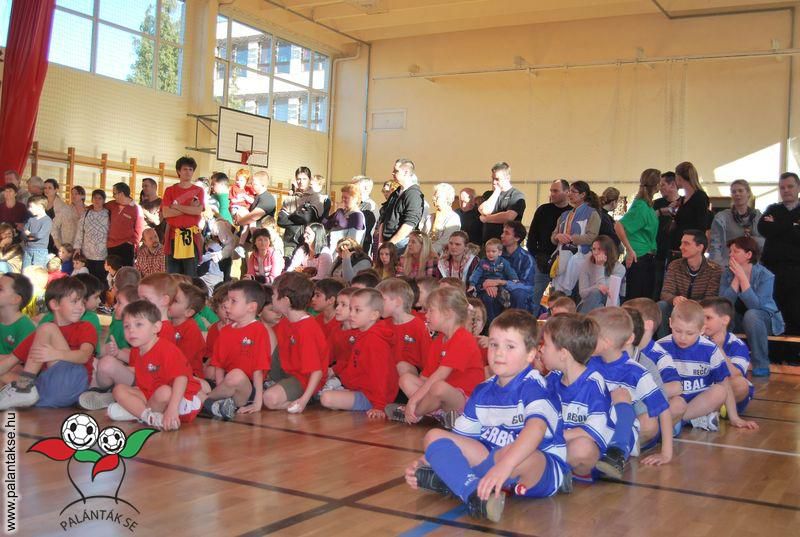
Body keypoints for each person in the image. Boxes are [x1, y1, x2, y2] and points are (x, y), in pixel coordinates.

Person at [404, 310, 568, 522]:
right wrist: (426, 460)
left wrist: (505, 466)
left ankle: (455, 479)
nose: (499, 353)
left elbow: (535, 430)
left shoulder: (535, 387)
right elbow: (460, 439)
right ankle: (474, 493)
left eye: (510, 346)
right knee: (434, 436)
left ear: (530, 354)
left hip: (539, 465)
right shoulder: (482, 391)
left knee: (511, 454)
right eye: (494, 344)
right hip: (491, 457)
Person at [586, 308, 672, 477]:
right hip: (591, 426)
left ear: (607, 342)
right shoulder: (588, 362)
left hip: (619, 432)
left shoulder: (636, 372)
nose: (585, 339)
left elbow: (663, 409)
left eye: (591, 335)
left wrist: (666, 453)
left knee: (620, 397)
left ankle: (617, 452)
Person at [386, 287, 484, 428]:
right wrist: (417, 397)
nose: (426, 315)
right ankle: (440, 415)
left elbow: (439, 376)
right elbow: (425, 378)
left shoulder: (463, 338)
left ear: (448, 313)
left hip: (465, 401)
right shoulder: (438, 341)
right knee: (405, 380)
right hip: (441, 399)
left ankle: (416, 413)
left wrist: (413, 401)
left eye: (431, 311)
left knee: (438, 387)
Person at [656, 300, 758, 432]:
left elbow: (725, 384)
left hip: (699, 401)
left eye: (690, 333)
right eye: (678, 331)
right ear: (670, 323)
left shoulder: (711, 349)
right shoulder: (659, 347)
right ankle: (687, 419)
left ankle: (679, 421)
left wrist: (735, 418)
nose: (683, 338)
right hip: (673, 401)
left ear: (702, 330)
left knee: (720, 391)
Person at [104, 299, 203, 429]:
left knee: (164, 392)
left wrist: (172, 409)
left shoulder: (166, 349)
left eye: (139, 324)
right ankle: (147, 417)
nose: (131, 330)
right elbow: (145, 385)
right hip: (153, 396)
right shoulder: (137, 350)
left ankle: (135, 413)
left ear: (156, 327)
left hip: (180, 398)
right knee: (119, 390)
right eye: (127, 326)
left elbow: (181, 379)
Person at [0, 278, 95, 410]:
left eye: (82, 302)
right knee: (5, 371)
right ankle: (23, 390)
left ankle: (23, 388)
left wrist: (55, 354)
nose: (81, 307)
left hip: (74, 384)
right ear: (55, 304)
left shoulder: (85, 327)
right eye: (74, 301)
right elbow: (11, 360)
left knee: (47, 328)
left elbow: (84, 356)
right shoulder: (40, 335)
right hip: (49, 390)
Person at [541, 313, 613, 483]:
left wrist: (553, 436)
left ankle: (548, 473)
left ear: (563, 354)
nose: (541, 349)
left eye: (545, 344)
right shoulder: (552, 378)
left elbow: (593, 431)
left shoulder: (593, 383)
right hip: (557, 444)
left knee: (583, 448)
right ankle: (554, 472)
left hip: (583, 447)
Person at [319, 288, 398, 418]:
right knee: (327, 396)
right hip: (362, 389)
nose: (351, 314)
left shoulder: (375, 341)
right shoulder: (362, 334)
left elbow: (381, 375)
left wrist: (379, 406)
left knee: (326, 398)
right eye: (350, 309)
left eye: (357, 310)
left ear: (373, 315)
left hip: (374, 397)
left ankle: (380, 407)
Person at [718, 236, 784, 377]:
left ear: (748, 255)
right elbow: (723, 305)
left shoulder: (765, 275)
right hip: (738, 321)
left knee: (752, 315)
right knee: (722, 315)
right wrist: (736, 279)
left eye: (735, 251)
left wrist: (743, 278)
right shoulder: (727, 274)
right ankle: (720, 360)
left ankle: (761, 364)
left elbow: (756, 306)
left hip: (764, 321)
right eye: (730, 251)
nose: (730, 255)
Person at [203, 280, 269, 420]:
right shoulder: (225, 331)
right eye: (227, 300)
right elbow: (219, 365)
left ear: (251, 307)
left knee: (236, 375)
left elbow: (259, 369)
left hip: (247, 389)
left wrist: (258, 402)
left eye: (233, 301)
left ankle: (203, 401)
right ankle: (217, 404)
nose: (227, 305)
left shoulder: (259, 330)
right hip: (227, 386)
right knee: (197, 383)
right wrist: (221, 387)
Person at [263, 272, 328, 414]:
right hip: (287, 372)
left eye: (274, 295)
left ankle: (309, 398)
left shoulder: (306, 329)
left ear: (286, 300)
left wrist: (303, 400)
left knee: (269, 398)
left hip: (304, 379)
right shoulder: (286, 321)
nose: (272, 298)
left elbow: (316, 372)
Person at [623, 298, 684, 419]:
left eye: (627, 321)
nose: (621, 325)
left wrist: (643, 391)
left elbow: (676, 387)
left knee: (678, 404)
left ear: (647, 325)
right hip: (625, 405)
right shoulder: (620, 347)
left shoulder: (659, 354)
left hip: (648, 407)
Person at [657, 230, 723, 338]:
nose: (681, 247)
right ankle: (664, 342)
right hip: (677, 308)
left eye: (686, 244)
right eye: (681, 243)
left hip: (701, 310)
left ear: (700, 247)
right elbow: (665, 292)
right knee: (662, 306)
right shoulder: (674, 265)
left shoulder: (714, 269)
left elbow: (711, 298)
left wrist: (689, 304)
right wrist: (674, 299)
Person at [758, 172, 800, 334]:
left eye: (790, 186)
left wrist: (777, 225)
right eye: (782, 187)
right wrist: (793, 225)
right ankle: (776, 348)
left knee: (795, 312)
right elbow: (763, 228)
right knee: (775, 312)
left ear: (798, 187)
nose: (786, 190)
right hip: (772, 271)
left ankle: (794, 348)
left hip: (796, 272)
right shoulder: (773, 208)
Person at [700, 297, 755, 415]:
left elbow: (735, 374)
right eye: (701, 318)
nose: (703, 322)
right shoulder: (698, 340)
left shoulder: (737, 345)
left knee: (741, 385)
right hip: (705, 387)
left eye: (708, 318)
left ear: (725, 320)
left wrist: (719, 349)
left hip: (726, 390)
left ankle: (714, 410)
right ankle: (704, 412)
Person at [615, 169, 660, 300]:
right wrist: (630, 250)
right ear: (657, 185)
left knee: (644, 299)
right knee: (636, 299)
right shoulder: (641, 206)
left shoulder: (647, 205)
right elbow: (618, 225)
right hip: (639, 257)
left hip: (646, 256)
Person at [526, 179, 571, 312]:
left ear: (567, 192)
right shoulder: (543, 210)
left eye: (556, 191)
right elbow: (532, 236)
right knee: (533, 298)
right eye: (551, 191)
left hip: (563, 262)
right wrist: (536, 255)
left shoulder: (572, 213)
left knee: (559, 300)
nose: (552, 194)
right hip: (542, 260)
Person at [476, 221, 535, 321]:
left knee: (519, 294)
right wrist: (488, 285)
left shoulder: (527, 259)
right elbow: (481, 275)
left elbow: (528, 286)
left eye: (507, 233)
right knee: (487, 296)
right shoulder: (494, 253)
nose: (502, 235)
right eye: (503, 232)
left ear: (517, 238)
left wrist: (500, 282)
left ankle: (516, 327)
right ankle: (492, 327)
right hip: (497, 291)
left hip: (516, 294)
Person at [550, 181, 600, 294]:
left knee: (575, 293)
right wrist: (557, 236)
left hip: (581, 258)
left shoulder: (592, 213)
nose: (569, 194)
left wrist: (572, 238)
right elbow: (553, 236)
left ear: (583, 195)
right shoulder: (564, 215)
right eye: (569, 191)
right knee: (557, 291)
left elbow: (592, 237)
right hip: (562, 256)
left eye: (573, 191)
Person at [377, 278, 431, 376]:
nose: (378, 305)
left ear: (398, 301)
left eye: (382, 300)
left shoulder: (418, 326)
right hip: (389, 371)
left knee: (402, 366)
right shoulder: (382, 325)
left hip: (412, 372)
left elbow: (427, 356)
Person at [162, 157, 205, 276]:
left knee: (190, 276)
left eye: (191, 169)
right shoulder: (170, 190)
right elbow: (166, 213)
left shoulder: (198, 190)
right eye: (185, 169)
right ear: (179, 171)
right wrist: (188, 208)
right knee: (173, 276)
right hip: (173, 235)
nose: (188, 172)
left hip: (191, 236)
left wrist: (176, 207)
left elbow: (198, 210)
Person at [709, 179, 763, 267]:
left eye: (740, 191)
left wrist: (752, 240)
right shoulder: (722, 218)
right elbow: (715, 244)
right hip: (729, 265)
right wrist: (718, 266)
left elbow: (765, 242)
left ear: (748, 193)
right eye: (734, 192)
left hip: (753, 266)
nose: (737, 194)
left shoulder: (758, 217)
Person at [277, 167, 324, 260]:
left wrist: (290, 215)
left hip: (308, 244)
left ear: (309, 180)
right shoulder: (290, 198)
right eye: (298, 179)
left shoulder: (316, 197)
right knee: (288, 266)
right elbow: (281, 220)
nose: (301, 182)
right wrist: (299, 214)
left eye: (304, 179)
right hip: (289, 243)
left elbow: (307, 217)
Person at [378, 159, 425, 253]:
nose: (392, 173)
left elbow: (409, 224)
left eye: (396, 171)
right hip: (387, 244)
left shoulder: (414, 195)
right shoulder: (395, 193)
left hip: (402, 245)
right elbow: (384, 217)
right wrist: (381, 242)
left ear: (406, 172)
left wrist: (390, 245)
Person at [669, 161, 711, 256]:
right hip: (677, 247)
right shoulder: (682, 199)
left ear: (679, 177)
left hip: (690, 248)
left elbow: (702, 225)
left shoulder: (700, 197)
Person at [479, 162, 526, 243]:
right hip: (488, 243)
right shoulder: (488, 194)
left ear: (507, 178)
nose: (494, 182)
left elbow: (508, 217)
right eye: (493, 178)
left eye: (497, 179)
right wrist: (497, 192)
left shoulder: (516, 195)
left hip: (506, 245)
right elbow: (484, 210)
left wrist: (487, 219)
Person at [576, 236, 625, 313]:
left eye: (599, 249)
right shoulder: (587, 263)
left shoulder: (619, 268)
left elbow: (605, 292)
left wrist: (600, 266)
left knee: (597, 294)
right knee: (596, 294)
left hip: (608, 305)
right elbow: (582, 293)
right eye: (593, 249)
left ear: (608, 250)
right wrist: (597, 287)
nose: (595, 252)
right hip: (587, 303)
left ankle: (581, 319)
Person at [169, 282, 208, 379]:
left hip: (190, 373)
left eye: (175, 300)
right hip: (170, 369)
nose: (169, 301)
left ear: (188, 312)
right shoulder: (166, 324)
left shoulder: (191, 329)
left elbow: (185, 358)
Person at [0, 273, 36, 371]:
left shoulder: (25, 327)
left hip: (14, 371)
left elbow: (18, 361)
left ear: (15, 299)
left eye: (0, 289)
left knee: (16, 369)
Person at [653, 172, 680, 298]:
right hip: (658, 252)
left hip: (676, 251)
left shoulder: (684, 203)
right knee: (656, 286)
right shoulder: (656, 204)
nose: (660, 188)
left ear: (673, 185)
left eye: (663, 185)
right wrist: (660, 212)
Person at [74, 189, 109, 282]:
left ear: (104, 200)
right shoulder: (86, 214)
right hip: (87, 253)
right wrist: (77, 247)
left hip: (102, 253)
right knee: (87, 280)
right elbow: (80, 231)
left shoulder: (108, 214)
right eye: (95, 198)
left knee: (100, 280)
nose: (97, 200)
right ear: (92, 199)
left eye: (100, 198)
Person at [106, 182, 145, 267]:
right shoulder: (111, 204)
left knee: (126, 272)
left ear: (121, 194)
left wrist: (132, 243)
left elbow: (139, 230)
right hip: (111, 245)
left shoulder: (137, 208)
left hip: (126, 246)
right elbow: (98, 207)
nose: (113, 196)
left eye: (114, 193)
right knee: (112, 271)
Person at [423, 183, 461, 255]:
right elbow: (423, 237)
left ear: (447, 198)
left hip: (442, 257)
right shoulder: (430, 217)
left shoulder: (453, 218)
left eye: (437, 196)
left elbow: (445, 241)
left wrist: (426, 252)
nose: (434, 198)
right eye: (434, 196)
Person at [44, 179, 78, 251]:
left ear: (56, 190)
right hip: (43, 238)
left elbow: (67, 227)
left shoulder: (62, 206)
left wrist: (59, 243)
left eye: (50, 188)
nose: (47, 190)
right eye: (45, 188)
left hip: (55, 240)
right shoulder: (42, 203)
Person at [21, 196, 52, 269]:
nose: (29, 209)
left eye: (31, 207)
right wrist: (29, 237)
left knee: (37, 271)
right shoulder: (31, 219)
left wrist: (29, 234)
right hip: (28, 249)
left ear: (40, 206)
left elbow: (39, 235)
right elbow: (23, 233)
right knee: (25, 271)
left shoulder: (47, 220)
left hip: (40, 251)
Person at [354, 176, 378, 255]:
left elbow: (364, 227)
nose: (352, 189)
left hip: (363, 244)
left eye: (355, 186)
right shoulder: (357, 203)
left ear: (365, 188)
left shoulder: (370, 205)